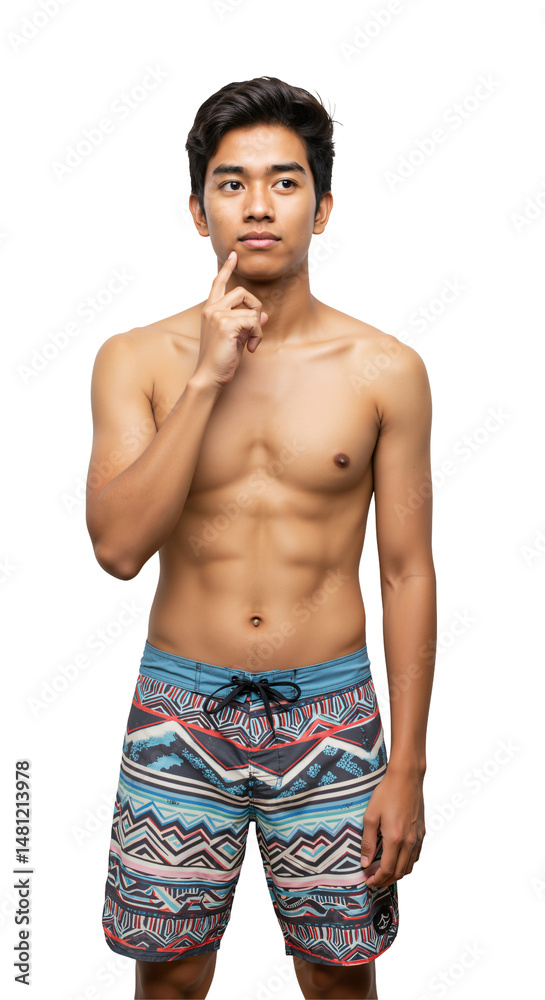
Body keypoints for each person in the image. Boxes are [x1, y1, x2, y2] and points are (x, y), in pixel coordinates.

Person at [86, 75, 436, 1000]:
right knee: (168, 981)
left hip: (333, 715)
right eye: (231, 183)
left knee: (337, 979)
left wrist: (408, 765)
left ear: (322, 209)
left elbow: (405, 573)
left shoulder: (385, 370)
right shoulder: (136, 359)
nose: (257, 205)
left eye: (284, 183)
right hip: (179, 709)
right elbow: (117, 548)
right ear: (198, 209)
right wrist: (205, 379)